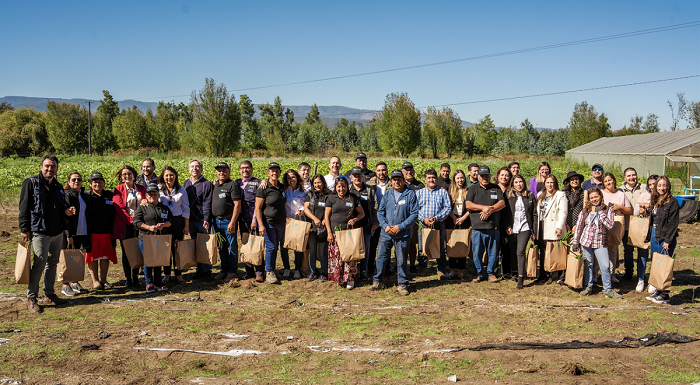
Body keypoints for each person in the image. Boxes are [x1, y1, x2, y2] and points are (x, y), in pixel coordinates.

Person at [19, 155, 75, 312]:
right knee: (39, 264)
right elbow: (24, 207)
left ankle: (49, 294)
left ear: (57, 168)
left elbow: (60, 206)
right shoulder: (31, 183)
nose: (50, 169)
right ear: (42, 166)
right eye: (47, 166)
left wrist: (67, 211)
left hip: (57, 232)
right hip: (39, 231)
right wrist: (24, 229)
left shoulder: (57, 186)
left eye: (53, 166)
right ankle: (31, 297)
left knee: (52, 264)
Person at [371, 170, 419, 296]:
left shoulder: (410, 194)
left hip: (402, 234)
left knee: (402, 259)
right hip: (386, 233)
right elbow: (380, 212)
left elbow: (414, 214)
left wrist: (401, 226)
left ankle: (402, 284)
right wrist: (385, 226)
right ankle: (377, 281)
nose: (396, 182)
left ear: (403, 180)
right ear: (391, 181)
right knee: (381, 257)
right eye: (394, 179)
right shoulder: (387, 194)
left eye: (399, 179)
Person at [570, 188, 622, 299]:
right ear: (589, 199)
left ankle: (608, 289)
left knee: (605, 266)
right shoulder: (585, 211)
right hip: (586, 242)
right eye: (592, 197)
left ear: (601, 197)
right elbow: (579, 227)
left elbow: (609, 225)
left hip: (600, 243)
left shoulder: (608, 210)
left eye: (596, 197)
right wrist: (575, 241)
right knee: (588, 265)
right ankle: (589, 286)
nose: (594, 199)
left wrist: (600, 212)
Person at [465, 166, 506, 282]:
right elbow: (468, 204)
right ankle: (477, 273)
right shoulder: (473, 189)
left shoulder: (496, 188)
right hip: (477, 227)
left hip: (493, 226)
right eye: (482, 176)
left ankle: (491, 273)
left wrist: (490, 209)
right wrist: (483, 208)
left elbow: (502, 203)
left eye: (487, 175)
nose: (485, 178)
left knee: (493, 252)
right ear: (478, 177)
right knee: (477, 252)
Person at [325, 178, 365, 290]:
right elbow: (326, 217)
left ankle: (350, 279)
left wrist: (355, 219)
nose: (341, 189)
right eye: (339, 186)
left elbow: (362, 213)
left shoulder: (353, 198)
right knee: (337, 257)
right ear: (335, 187)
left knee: (349, 257)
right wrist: (329, 232)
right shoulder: (331, 198)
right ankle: (339, 277)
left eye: (343, 186)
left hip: (349, 233)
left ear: (347, 187)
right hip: (335, 233)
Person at [644, 176, 679, 304]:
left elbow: (673, 223)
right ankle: (658, 290)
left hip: (665, 237)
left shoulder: (672, 202)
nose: (661, 188)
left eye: (664, 185)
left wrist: (668, 240)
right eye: (659, 185)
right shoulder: (656, 200)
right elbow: (652, 220)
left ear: (668, 186)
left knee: (664, 266)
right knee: (657, 264)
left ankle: (665, 295)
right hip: (655, 235)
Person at [133, 183, 172, 293]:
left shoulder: (164, 208)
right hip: (146, 238)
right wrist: (149, 227)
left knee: (158, 260)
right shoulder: (142, 208)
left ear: (158, 195)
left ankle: (158, 282)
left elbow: (171, 221)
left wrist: (163, 225)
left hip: (159, 238)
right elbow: (136, 222)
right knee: (148, 261)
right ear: (146, 195)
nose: (152, 196)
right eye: (149, 194)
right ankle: (149, 283)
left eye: (154, 194)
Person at [113, 165, 147, 288]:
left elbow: (145, 202)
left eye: (129, 173)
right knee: (127, 251)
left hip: (141, 224)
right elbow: (119, 208)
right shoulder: (118, 189)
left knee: (138, 250)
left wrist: (139, 222)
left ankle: (135, 277)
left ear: (134, 174)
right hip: (126, 224)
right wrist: (132, 222)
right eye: (124, 174)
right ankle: (128, 278)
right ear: (121, 177)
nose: (127, 176)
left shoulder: (141, 188)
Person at [254, 162, 287, 284]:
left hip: (281, 223)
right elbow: (257, 208)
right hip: (268, 223)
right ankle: (268, 272)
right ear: (268, 173)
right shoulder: (263, 188)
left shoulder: (282, 187)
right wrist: (260, 224)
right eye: (272, 171)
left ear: (279, 173)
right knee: (271, 247)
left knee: (275, 247)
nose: (274, 173)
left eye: (277, 171)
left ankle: (272, 269)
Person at [416, 169, 451, 279]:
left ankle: (441, 270)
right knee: (422, 247)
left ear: (437, 179)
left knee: (440, 248)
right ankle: (422, 268)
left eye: (433, 177)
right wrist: (424, 219)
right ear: (425, 180)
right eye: (429, 178)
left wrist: (437, 217)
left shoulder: (443, 192)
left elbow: (447, 207)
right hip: (423, 224)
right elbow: (415, 209)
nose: (431, 180)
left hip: (438, 224)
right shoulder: (420, 193)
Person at [84, 172, 117, 290]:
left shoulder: (109, 195)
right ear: (90, 184)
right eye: (95, 182)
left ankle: (104, 279)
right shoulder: (86, 196)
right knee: (93, 257)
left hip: (107, 231)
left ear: (103, 183)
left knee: (105, 256)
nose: (98, 184)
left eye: (100, 181)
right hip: (92, 232)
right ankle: (95, 281)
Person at [504, 175, 537, 289]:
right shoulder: (508, 196)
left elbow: (534, 214)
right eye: (516, 182)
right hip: (512, 228)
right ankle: (514, 272)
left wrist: (533, 231)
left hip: (525, 227)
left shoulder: (530, 195)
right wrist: (507, 226)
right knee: (512, 251)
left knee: (520, 251)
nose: (519, 184)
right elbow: (505, 213)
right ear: (513, 184)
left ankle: (521, 277)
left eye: (521, 182)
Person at [158, 166, 190, 284]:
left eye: (171, 175)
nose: (169, 177)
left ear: (175, 176)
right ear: (163, 176)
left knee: (177, 249)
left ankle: (178, 274)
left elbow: (186, 208)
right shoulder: (159, 189)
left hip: (178, 221)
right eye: (166, 175)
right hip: (164, 221)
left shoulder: (181, 190)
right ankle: (166, 274)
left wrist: (186, 226)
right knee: (165, 249)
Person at [534, 174, 568, 284]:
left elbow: (563, 212)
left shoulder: (560, 195)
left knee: (554, 251)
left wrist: (559, 226)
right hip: (542, 226)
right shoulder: (540, 194)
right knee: (544, 251)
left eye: (552, 182)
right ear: (544, 184)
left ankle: (556, 274)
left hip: (553, 226)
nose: (550, 185)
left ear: (555, 184)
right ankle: (545, 274)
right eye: (548, 182)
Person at [211, 162, 241, 283]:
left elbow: (237, 205)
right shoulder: (215, 185)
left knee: (232, 246)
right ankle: (223, 270)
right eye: (219, 170)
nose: (221, 173)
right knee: (221, 247)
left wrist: (232, 222)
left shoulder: (232, 185)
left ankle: (232, 271)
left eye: (224, 170)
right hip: (216, 222)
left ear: (228, 172)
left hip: (228, 221)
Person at [61, 172, 90, 297]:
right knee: (67, 258)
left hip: (81, 231)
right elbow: (65, 217)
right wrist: (68, 234)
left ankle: (75, 283)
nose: (76, 181)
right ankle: (65, 285)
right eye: (73, 179)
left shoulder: (82, 195)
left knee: (77, 257)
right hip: (70, 232)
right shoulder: (67, 195)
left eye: (79, 179)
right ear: (68, 182)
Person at [183, 159, 213, 280]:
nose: (194, 169)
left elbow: (207, 202)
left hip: (202, 221)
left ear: (201, 169)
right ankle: (199, 270)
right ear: (189, 169)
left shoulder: (206, 184)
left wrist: (206, 218)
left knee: (204, 246)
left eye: (197, 167)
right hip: (190, 221)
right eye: (192, 167)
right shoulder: (186, 183)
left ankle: (207, 271)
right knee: (195, 245)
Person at [234, 160, 263, 282]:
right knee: (245, 245)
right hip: (241, 220)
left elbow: (258, 203)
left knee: (256, 245)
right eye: (242, 168)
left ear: (251, 169)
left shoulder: (258, 183)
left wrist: (255, 220)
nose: (244, 170)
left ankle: (259, 272)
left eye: (247, 168)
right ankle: (249, 272)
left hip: (252, 219)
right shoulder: (236, 183)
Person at [600, 172, 632, 284]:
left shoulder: (621, 194)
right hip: (602, 225)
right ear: (603, 184)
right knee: (600, 248)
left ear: (614, 180)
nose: (608, 182)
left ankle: (611, 274)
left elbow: (629, 210)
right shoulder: (601, 193)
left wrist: (620, 207)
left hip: (617, 225)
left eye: (610, 180)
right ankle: (596, 273)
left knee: (613, 250)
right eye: (606, 181)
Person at [349, 167, 379, 281]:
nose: (357, 178)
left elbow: (375, 206)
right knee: (353, 248)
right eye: (355, 176)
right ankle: (354, 270)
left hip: (366, 225)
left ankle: (363, 271)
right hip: (352, 226)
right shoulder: (349, 190)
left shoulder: (369, 190)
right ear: (351, 178)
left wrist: (375, 221)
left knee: (365, 249)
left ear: (363, 177)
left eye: (359, 176)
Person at [619, 167, 646, 282]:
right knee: (628, 250)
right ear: (624, 178)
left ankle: (641, 275)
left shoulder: (644, 188)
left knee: (642, 251)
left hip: (642, 226)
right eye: (629, 176)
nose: (631, 177)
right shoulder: (619, 191)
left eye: (633, 175)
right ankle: (629, 272)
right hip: (627, 226)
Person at [304, 174, 330, 282]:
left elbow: (330, 209)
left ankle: (324, 272)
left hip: (324, 226)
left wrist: (325, 219)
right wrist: (314, 219)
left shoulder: (329, 195)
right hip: (312, 226)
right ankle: (313, 271)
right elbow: (306, 209)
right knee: (312, 250)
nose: (317, 185)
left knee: (323, 251)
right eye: (315, 183)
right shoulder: (310, 194)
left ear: (323, 183)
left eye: (319, 182)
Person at [281, 169, 306, 279]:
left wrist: (301, 210)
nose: (291, 179)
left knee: (297, 246)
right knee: (284, 246)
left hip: (298, 221)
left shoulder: (303, 191)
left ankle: (297, 269)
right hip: (286, 221)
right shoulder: (285, 190)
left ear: (297, 178)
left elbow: (306, 204)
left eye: (293, 177)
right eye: (289, 178)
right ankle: (286, 268)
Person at [634, 175, 658, 292]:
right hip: (644, 228)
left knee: (656, 255)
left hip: (657, 229)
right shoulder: (644, 195)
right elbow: (635, 211)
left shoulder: (663, 197)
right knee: (642, 254)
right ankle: (641, 279)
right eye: (650, 184)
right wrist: (641, 210)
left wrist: (650, 205)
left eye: (655, 184)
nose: (652, 186)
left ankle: (653, 280)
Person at [402, 162, 425, 274]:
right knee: (400, 243)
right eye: (406, 170)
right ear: (403, 172)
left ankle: (412, 265)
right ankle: (400, 265)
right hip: (401, 218)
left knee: (412, 243)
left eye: (411, 170)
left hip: (414, 219)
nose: (409, 172)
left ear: (414, 172)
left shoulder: (420, 185)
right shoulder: (400, 184)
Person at [447, 170, 471, 279]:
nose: (460, 180)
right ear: (454, 179)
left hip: (464, 220)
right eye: (458, 178)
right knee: (452, 244)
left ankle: (461, 270)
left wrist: (463, 218)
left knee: (462, 244)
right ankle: (452, 270)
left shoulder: (469, 191)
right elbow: (447, 206)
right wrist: (453, 217)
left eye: (462, 178)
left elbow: (471, 207)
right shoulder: (449, 191)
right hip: (452, 220)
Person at [370, 161, 390, 277]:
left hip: (387, 221)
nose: (381, 173)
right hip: (374, 220)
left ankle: (386, 269)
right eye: (378, 170)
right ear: (376, 172)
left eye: (383, 170)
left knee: (387, 245)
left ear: (387, 171)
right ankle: (371, 268)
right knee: (373, 246)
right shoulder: (370, 184)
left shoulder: (392, 184)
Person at [495, 167, 515, 278]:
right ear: (498, 176)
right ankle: (493, 272)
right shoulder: (493, 188)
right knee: (494, 249)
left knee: (506, 248)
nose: (504, 177)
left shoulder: (512, 189)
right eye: (502, 175)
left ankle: (506, 272)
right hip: (495, 222)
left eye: (507, 175)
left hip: (508, 222)